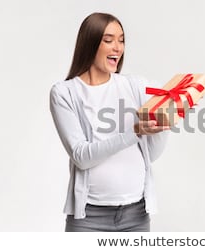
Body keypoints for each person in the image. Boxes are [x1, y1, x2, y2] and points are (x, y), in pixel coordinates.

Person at [49, 12, 169, 232]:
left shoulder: (134, 86)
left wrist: (164, 125)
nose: (118, 48)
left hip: (137, 215)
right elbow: (81, 156)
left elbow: (150, 155)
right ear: (90, 43)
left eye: (121, 40)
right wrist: (134, 132)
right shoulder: (65, 93)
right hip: (89, 219)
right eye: (109, 40)